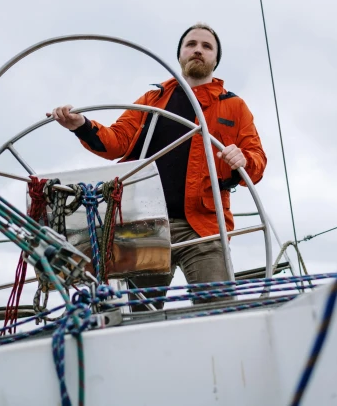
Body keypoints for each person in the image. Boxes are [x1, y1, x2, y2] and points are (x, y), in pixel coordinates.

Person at [47, 23, 267, 309]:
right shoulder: (152, 101)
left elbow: (257, 160)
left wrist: (243, 159)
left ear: (215, 59)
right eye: (191, 44)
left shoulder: (234, 107)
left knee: (219, 308)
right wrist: (82, 126)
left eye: (207, 46)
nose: (198, 50)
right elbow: (117, 142)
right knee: (139, 314)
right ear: (180, 55)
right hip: (145, 225)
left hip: (202, 226)